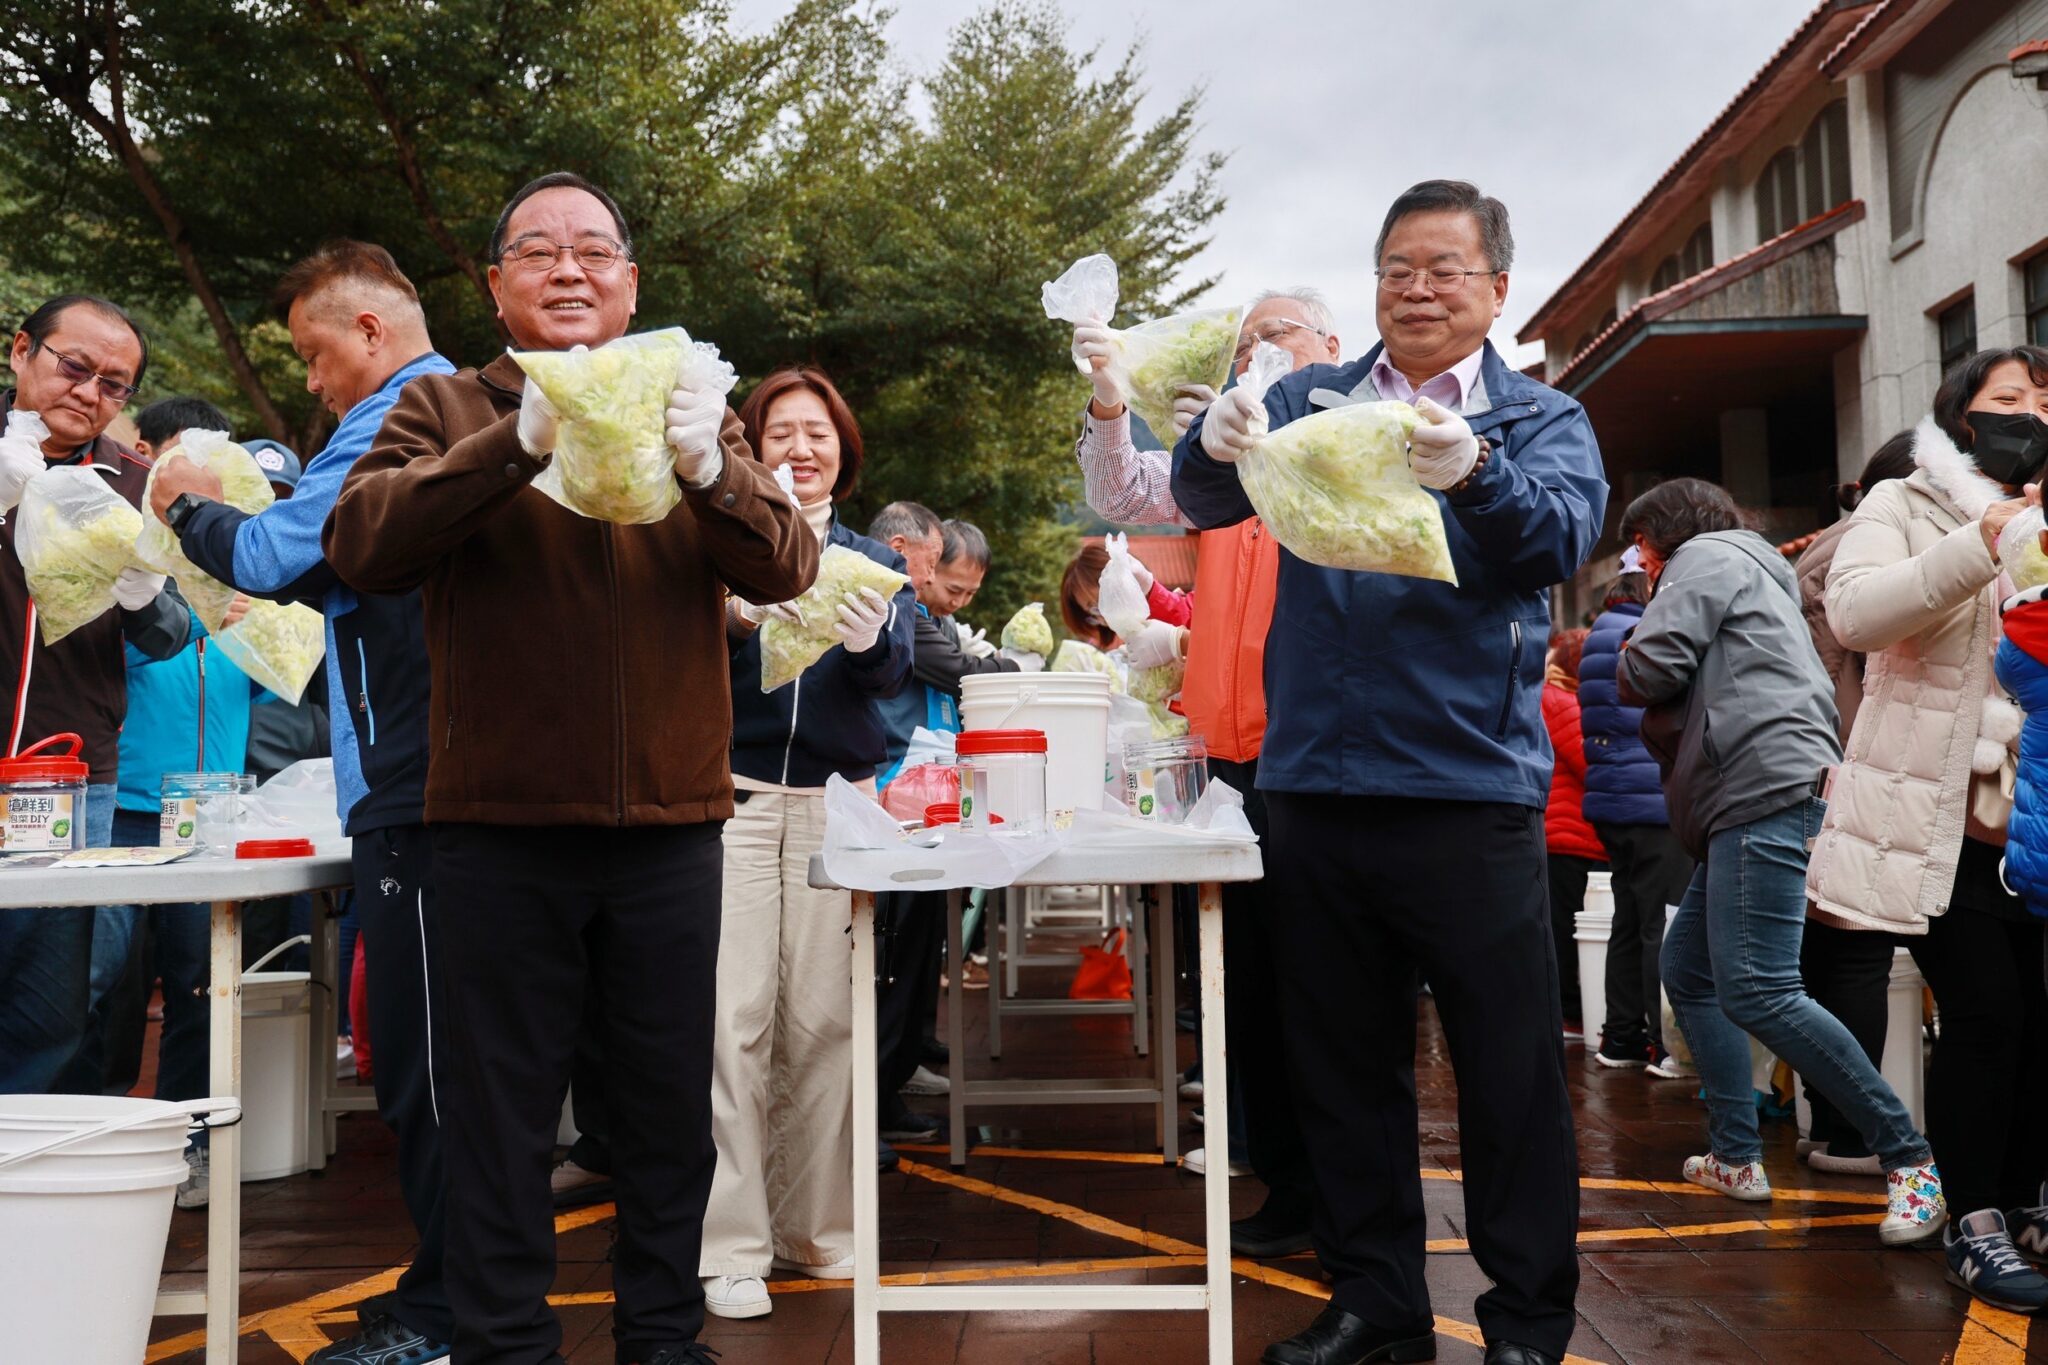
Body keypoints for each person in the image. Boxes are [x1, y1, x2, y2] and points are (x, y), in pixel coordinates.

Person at [325, 171, 815, 1365]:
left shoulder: (692, 401)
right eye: (536, 250)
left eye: (594, 250)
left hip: (670, 824)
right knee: (496, 1122)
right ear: (494, 286)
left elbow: (787, 568)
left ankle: (661, 1338)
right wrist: (515, 440)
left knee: (661, 1116)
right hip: (491, 826)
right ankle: (504, 1348)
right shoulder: (442, 406)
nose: (568, 269)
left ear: (630, 282)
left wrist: (712, 470)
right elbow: (361, 541)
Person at [1174, 180, 1602, 1365]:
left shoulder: (1539, 422)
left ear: (1496, 290)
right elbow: (1206, 493)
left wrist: (1473, 472)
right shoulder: (1313, 394)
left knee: (1505, 1072)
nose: (1415, 288)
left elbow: (1554, 545)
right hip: (1312, 781)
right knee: (1341, 1067)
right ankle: (1375, 1302)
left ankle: (1525, 1321)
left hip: (1469, 791)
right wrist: (1207, 442)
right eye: (1396, 267)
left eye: (1444, 269)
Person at [147, 239, 460, 1364]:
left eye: (315, 355)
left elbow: (284, 549)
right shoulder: (447, 412)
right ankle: (448, 1290)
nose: (313, 383)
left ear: (369, 332)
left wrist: (186, 509)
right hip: (431, 777)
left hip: (422, 788)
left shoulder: (404, 415)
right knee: (442, 1061)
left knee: (432, 1066)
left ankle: (448, 1317)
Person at [1071, 288, 1335, 1258]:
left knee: (1321, 991)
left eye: (1277, 334)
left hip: (1310, 762)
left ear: (1329, 347)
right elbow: (1123, 495)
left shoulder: (1337, 445)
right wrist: (1110, 399)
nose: (1255, 353)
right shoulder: (1215, 471)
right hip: (1224, 761)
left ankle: (1342, 1197)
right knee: (1244, 989)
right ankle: (1287, 1184)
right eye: (1243, 343)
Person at [1616, 478, 1943, 1247]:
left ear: (1666, 535)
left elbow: (1649, 668)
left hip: (1757, 783)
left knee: (1761, 987)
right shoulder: (1756, 563)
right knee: (1690, 968)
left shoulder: (1702, 558)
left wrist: (1634, 644)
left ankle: (1911, 1159)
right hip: (1773, 781)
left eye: (1641, 544)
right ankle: (1734, 1153)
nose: (1640, 559)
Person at [1809, 346, 2048, 1304]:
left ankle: (2031, 1198)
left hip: (2039, 809)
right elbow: (1857, 614)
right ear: (1960, 415)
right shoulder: (1904, 503)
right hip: (1944, 813)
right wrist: (1984, 539)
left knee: (2039, 1020)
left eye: (2044, 399)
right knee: (1986, 1015)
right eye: (2009, 398)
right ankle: (1977, 1216)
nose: (2030, 412)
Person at [699, 366, 914, 1319]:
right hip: (734, 802)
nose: (800, 447)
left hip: (837, 806)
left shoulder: (870, 555)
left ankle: (818, 1230)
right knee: (731, 1025)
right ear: (749, 445)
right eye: (780, 430)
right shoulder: (716, 546)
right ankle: (732, 1245)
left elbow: (895, 676)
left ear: (844, 450)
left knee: (826, 1026)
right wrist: (735, 613)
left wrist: (869, 642)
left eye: (817, 432)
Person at [0, 294, 190, 1096]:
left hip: (71, 776)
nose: (88, 392)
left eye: (114, 385)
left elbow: (177, 634)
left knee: (50, 1008)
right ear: (21, 350)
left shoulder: (135, 483)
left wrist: (148, 591)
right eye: (74, 366)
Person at [84, 399, 258, 1211]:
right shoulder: (121, 556)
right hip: (121, 803)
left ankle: (190, 1144)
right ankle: (91, 1135)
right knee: (105, 980)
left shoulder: (240, 556)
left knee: (199, 982)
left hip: (212, 807)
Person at [1787, 432, 1915, 1176]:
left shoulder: (1825, 549)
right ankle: (1857, 1134)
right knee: (1856, 955)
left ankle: (1829, 1123)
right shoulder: (1870, 550)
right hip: (1857, 764)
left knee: (1820, 957)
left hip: (1813, 768)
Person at [1576, 558, 1689, 1074]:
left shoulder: (1597, 634)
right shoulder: (1643, 631)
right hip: (1649, 800)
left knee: (1627, 919)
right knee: (1657, 925)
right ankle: (1663, 1043)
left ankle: (1620, 1036)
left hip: (1610, 802)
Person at [1977, 561, 2048, 1311]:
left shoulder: (2022, 633)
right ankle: (1999, 1206)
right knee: (2005, 1022)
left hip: (2026, 857)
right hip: (2011, 852)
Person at [1540, 626, 1604, 1039]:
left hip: (1573, 833)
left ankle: (1571, 1010)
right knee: (1566, 929)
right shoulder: (1559, 701)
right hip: (1570, 835)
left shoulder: (1559, 697)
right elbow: (1589, 760)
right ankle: (1567, 1013)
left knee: (1568, 927)